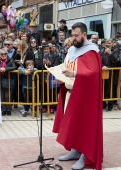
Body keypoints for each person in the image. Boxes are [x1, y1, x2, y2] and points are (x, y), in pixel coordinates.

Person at [53, 22, 103, 170]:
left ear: (84, 34)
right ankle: (75, 151)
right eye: (72, 35)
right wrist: (61, 77)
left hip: (85, 97)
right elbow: (67, 68)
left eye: (76, 35)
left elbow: (93, 73)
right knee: (73, 124)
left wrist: (75, 74)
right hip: (71, 94)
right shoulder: (72, 50)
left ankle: (85, 155)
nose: (73, 38)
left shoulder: (92, 51)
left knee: (84, 125)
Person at [0, 48, 17, 116]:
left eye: (5, 54)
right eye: (2, 54)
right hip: (0, 80)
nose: (4, 55)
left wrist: (5, 69)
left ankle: (8, 109)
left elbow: (14, 67)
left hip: (8, 80)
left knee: (8, 96)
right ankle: (3, 109)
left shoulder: (10, 60)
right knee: (2, 96)